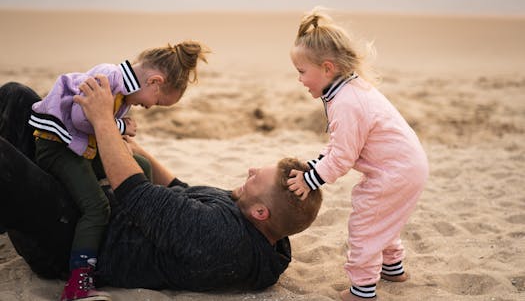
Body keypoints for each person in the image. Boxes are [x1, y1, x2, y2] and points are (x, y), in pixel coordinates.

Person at [0, 80, 322, 295]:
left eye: (256, 178)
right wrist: (134, 149)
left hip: (72, 240)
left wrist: (103, 121)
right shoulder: (264, 227)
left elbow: (137, 194)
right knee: (17, 98)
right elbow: (180, 188)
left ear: (261, 212)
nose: (250, 170)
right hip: (91, 204)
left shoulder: (223, 241)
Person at [27, 40, 209, 301]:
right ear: (154, 81)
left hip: (79, 147)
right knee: (96, 208)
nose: (149, 107)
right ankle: (79, 282)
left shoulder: (123, 90)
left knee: (142, 165)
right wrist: (119, 126)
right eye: (156, 101)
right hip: (58, 147)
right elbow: (81, 116)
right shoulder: (108, 78)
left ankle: (130, 223)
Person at [286, 8, 429, 300]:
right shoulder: (350, 90)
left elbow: (342, 159)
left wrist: (310, 181)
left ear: (327, 68)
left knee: (366, 222)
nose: (299, 80)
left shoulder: (346, 102)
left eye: (302, 72)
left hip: (395, 172)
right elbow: (340, 147)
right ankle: (393, 268)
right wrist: (313, 166)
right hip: (408, 166)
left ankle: (363, 290)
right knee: (384, 217)